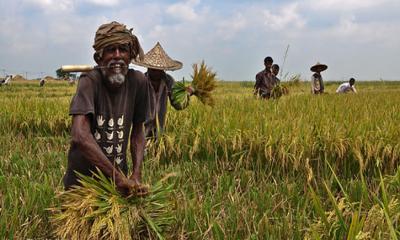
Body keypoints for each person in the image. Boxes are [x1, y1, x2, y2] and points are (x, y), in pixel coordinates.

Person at [63, 21, 149, 196]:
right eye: (110, 50)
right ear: (98, 58)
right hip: (84, 184)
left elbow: (138, 132)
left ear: (130, 56)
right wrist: (118, 179)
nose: (117, 56)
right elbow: (80, 135)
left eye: (123, 50)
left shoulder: (138, 82)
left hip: (118, 182)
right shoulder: (89, 82)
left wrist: (136, 174)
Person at [132, 42, 192, 139]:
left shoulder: (169, 82)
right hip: (141, 131)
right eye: (152, 69)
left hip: (159, 132)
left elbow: (178, 105)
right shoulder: (141, 81)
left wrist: (187, 94)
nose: (155, 72)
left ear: (163, 69)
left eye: (158, 69)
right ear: (148, 67)